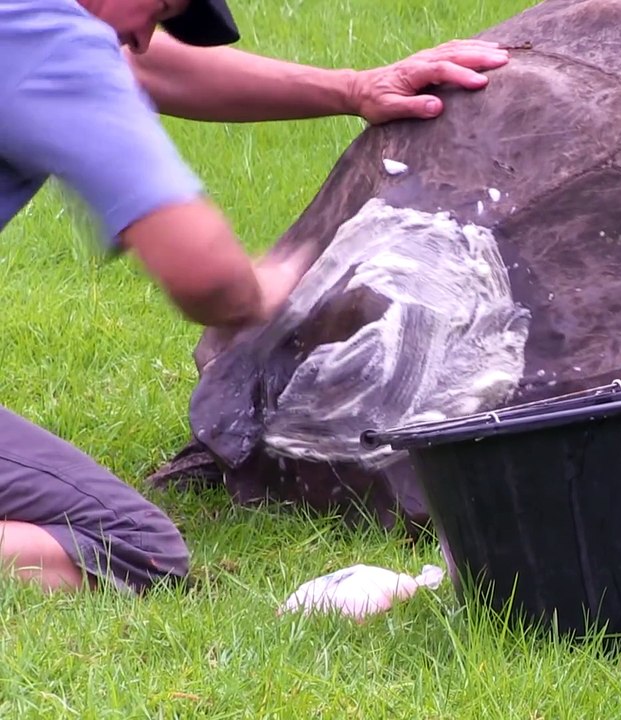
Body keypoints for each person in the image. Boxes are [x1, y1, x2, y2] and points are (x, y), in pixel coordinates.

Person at [0, 0, 509, 593]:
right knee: (133, 549)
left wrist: (353, 88)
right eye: (162, 6)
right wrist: (265, 289)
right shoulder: (54, 43)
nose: (141, 38)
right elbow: (205, 276)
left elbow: (135, 67)